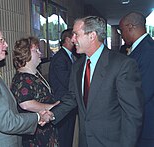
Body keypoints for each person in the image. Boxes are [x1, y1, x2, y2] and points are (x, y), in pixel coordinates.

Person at [51, 16, 144, 147]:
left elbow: (133, 114)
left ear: (92, 36)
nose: (73, 39)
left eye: (76, 34)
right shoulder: (77, 66)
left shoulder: (122, 65)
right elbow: (73, 97)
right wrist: (52, 115)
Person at [10, 36, 60, 147]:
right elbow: (26, 104)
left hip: (45, 130)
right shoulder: (22, 79)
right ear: (25, 54)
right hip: (36, 135)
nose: (40, 53)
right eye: (36, 50)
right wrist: (52, 107)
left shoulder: (35, 75)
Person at [119, 11, 154, 147]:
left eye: (122, 30)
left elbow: (143, 92)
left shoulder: (148, 51)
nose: (121, 35)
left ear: (130, 27)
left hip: (146, 125)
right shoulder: (140, 48)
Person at [49, 28, 77, 147]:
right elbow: (67, 81)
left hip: (68, 101)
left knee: (68, 134)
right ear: (67, 39)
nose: (76, 41)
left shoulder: (69, 56)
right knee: (64, 136)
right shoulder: (60, 58)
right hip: (62, 101)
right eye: (74, 38)